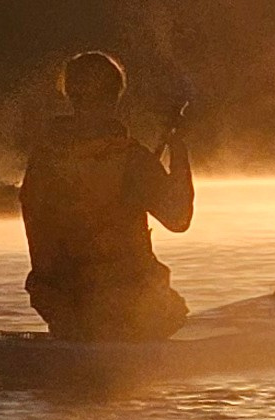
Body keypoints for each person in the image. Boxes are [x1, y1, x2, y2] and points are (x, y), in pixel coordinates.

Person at [20, 51, 193, 341]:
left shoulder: (43, 161)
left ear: (69, 95)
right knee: (174, 311)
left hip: (65, 310)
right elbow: (180, 220)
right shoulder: (132, 159)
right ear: (116, 97)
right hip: (131, 310)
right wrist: (178, 147)